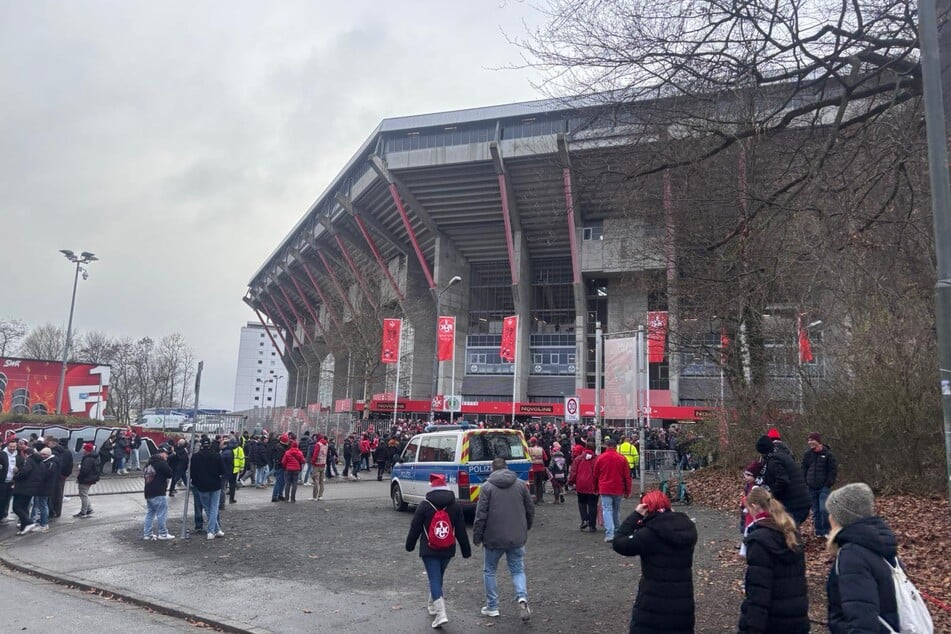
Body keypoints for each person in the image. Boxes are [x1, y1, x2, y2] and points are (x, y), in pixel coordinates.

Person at [612, 490, 698, 634]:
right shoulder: (688, 528)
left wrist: (636, 516)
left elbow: (619, 543)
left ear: (647, 508)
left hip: (653, 602)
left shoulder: (648, 535)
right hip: (682, 600)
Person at [825, 483, 900, 633]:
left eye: (832, 512)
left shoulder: (852, 556)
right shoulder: (878, 543)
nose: (829, 517)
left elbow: (862, 620)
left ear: (842, 517)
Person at [737, 486, 809, 633]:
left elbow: (758, 594)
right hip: (796, 618)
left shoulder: (759, 541)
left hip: (773, 622)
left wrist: (751, 628)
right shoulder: (791, 533)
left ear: (754, 507)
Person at [405, 472, 472, 628]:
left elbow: (415, 528)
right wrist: (466, 550)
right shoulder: (455, 506)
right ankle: (432, 605)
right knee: (438, 577)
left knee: (434, 579)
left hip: (429, 549)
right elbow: (461, 530)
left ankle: (441, 614)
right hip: (448, 548)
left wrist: (409, 545)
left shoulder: (424, 505)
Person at [472, 457, 534, 622]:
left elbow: (481, 515)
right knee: (518, 570)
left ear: (492, 469)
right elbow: (530, 508)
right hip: (517, 536)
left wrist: (477, 536)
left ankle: (492, 606)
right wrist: (526, 527)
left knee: (490, 571)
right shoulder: (521, 485)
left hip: (493, 538)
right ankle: (522, 598)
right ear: (507, 468)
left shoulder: (486, 487)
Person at [755, 435, 811, 526]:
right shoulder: (782, 455)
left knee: (788, 531)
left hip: (794, 503)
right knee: (790, 529)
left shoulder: (774, 461)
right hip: (801, 500)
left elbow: (783, 481)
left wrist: (773, 495)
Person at [594, 437, 633, 542]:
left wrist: (595, 488)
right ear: (616, 447)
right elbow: (627, 476)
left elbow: (595, 475)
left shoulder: (600, 458)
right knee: (616, 510)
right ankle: (617, 531)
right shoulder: (622, 458)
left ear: (607, 446)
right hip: (618, 488)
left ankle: (610, 534)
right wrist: (628, 491)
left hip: (605, 488)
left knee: (607, 510)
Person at [801, 432, 838, 539]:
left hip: (824, 487)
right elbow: (804, 469)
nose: (810, 442)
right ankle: (818, 531)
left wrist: (828, 483)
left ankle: (827, 530)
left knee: (824, 509)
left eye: (812, 440)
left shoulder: (828, 454)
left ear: (818, 441)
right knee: (815, 511)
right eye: (809, 440)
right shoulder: (807, 455)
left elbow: (833, 470)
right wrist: (805, 482)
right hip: (811, 487)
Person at [190, 437, 225, 540]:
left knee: (207, 508)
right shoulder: (216, 455)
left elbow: (193, 473)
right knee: (214, 508)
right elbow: (222, 471)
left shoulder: (195, 457)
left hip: (202, 486)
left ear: (201, 445)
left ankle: (214, 531)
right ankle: (213, 530)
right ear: (209, 444)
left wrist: (196, 483)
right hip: (215, 485)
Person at [143, 444, 175, 541]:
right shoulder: (161, 462)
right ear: (162, 453)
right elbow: (170, 473)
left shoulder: (149, 463)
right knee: (161, 514)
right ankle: (163, 533)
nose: (166, 456)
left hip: (148, 492)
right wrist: (166, 463)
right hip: (159, 492)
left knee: (150, 513)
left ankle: (147, 534)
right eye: (166, 454)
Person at [568, 439, 598, 532]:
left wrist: (570, 482)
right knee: (593, 505)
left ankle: (584, 520)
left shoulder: (578, 459)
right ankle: (592, 525)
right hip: (593, 485)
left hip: (580, 485)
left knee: (582, 503)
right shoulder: (597, 459)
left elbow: (573, 472)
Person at [74, 442, 100, 518]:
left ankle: (83, 512)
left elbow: (85, 471)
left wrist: (79, 477)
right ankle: (89, 509)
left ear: (87, 450)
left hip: (85, 479)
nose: (83, 450)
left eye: (84, 449)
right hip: (90, 478)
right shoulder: (94, 457)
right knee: (85, 494)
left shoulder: (88, 459)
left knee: (83, 495)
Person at [0, 436, 20, 524]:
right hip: (2, 481)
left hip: (11, 481)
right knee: (1, 499)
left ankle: (3, 516)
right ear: (7, 446)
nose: (12, 448)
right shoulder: (2, 454)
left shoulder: (17, 455)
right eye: (10, 446)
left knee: (7, 500)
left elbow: (21, 465)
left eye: (14, 447)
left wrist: (18, 470)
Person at [526, 437, 548, 504]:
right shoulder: (541, 449)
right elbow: (546, 458)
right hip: (541, 468)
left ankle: (534, 499)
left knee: (534, 484)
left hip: (532, 469)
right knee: (540, 484)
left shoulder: (529, 450)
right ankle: (540, 498)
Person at [271, 434, 289, 501]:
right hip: (280, 467)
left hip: (280, 466)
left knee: (281, 482)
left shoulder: (279, 447)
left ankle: (279, 495)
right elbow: (280, 459)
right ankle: (275, 496)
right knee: (279, 482)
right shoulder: (281, 449)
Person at [310, 435, 328, 500]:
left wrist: (313, 462)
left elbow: (315, 454)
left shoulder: (318, 444)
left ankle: (314, 496)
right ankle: (320, 496)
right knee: (321, 481)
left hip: (317, 464)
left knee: (316, 481)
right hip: (323, 464)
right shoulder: (326, 444)